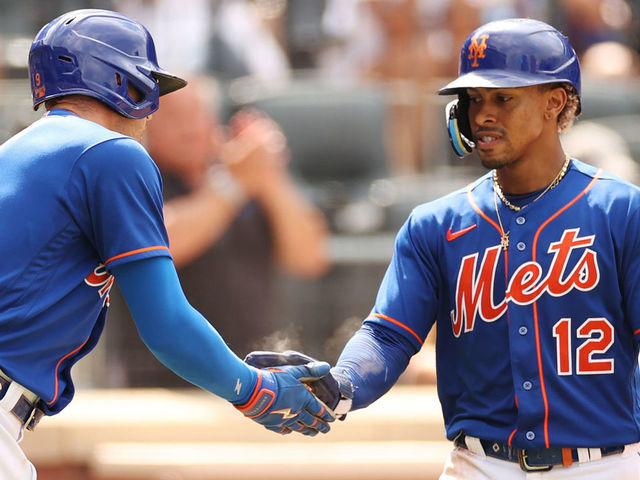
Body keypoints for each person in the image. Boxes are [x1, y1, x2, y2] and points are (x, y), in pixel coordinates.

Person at [250, 18, 640, 478]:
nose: (482, 115)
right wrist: (342, 382)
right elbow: (389, 334)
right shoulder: (435, 224)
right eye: (474, 100)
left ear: (556, 102)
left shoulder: (621, 211)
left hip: (604, 465)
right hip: (478, 465)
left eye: (503, 97)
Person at [0, 9, 335, 479]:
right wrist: (256, 389)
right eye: (147, 87)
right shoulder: (111, 153)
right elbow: (168, 327)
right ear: (119, 81)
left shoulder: (16, 152)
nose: (151, 107)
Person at [104, 77, 330, 386]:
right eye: (172, 117)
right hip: (160, 382)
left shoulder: (248, 178)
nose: (188, 127)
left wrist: (270, 175)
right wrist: (233, 183)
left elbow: (310, 258)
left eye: (195, 114)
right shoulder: (133, 175)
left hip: (254, 376)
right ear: (145, 125)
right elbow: (161, 241)